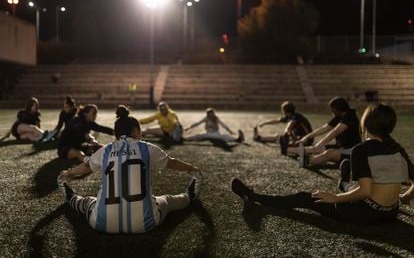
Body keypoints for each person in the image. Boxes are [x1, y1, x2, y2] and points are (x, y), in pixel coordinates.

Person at [232, 104, 414, 224]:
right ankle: (344, 181)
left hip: (370, 214)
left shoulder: (361, 149)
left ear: (365, 124)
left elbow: (365, 192)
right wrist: (402, 199)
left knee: (306, 197)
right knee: (350, 173)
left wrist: (335, 198)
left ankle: (254, 196)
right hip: (391, 214)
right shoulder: (396, 148)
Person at [57, 105, 202, 233]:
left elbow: (86, 166)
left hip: (102, 223)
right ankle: (190, 195)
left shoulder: (105, 150)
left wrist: (68, 172)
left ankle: (70, 195)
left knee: (88, 202)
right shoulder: (146, 147)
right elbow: (173, 163)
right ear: (135, 130)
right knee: (167, 200)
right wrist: (191, 168)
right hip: (146, 223)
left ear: (117, 133)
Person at [288, 97, 361, 167]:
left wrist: (321, 142)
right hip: (340, 147)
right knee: (315, 148)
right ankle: (289, 150)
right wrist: (307, 137)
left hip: (351, 151)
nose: (332, 111)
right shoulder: (340, 116)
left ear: (338, 108)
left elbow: (336, 131)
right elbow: (325, 128)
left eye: (333, 108)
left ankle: (307, 161)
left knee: (329, 153)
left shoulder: (351, 117)